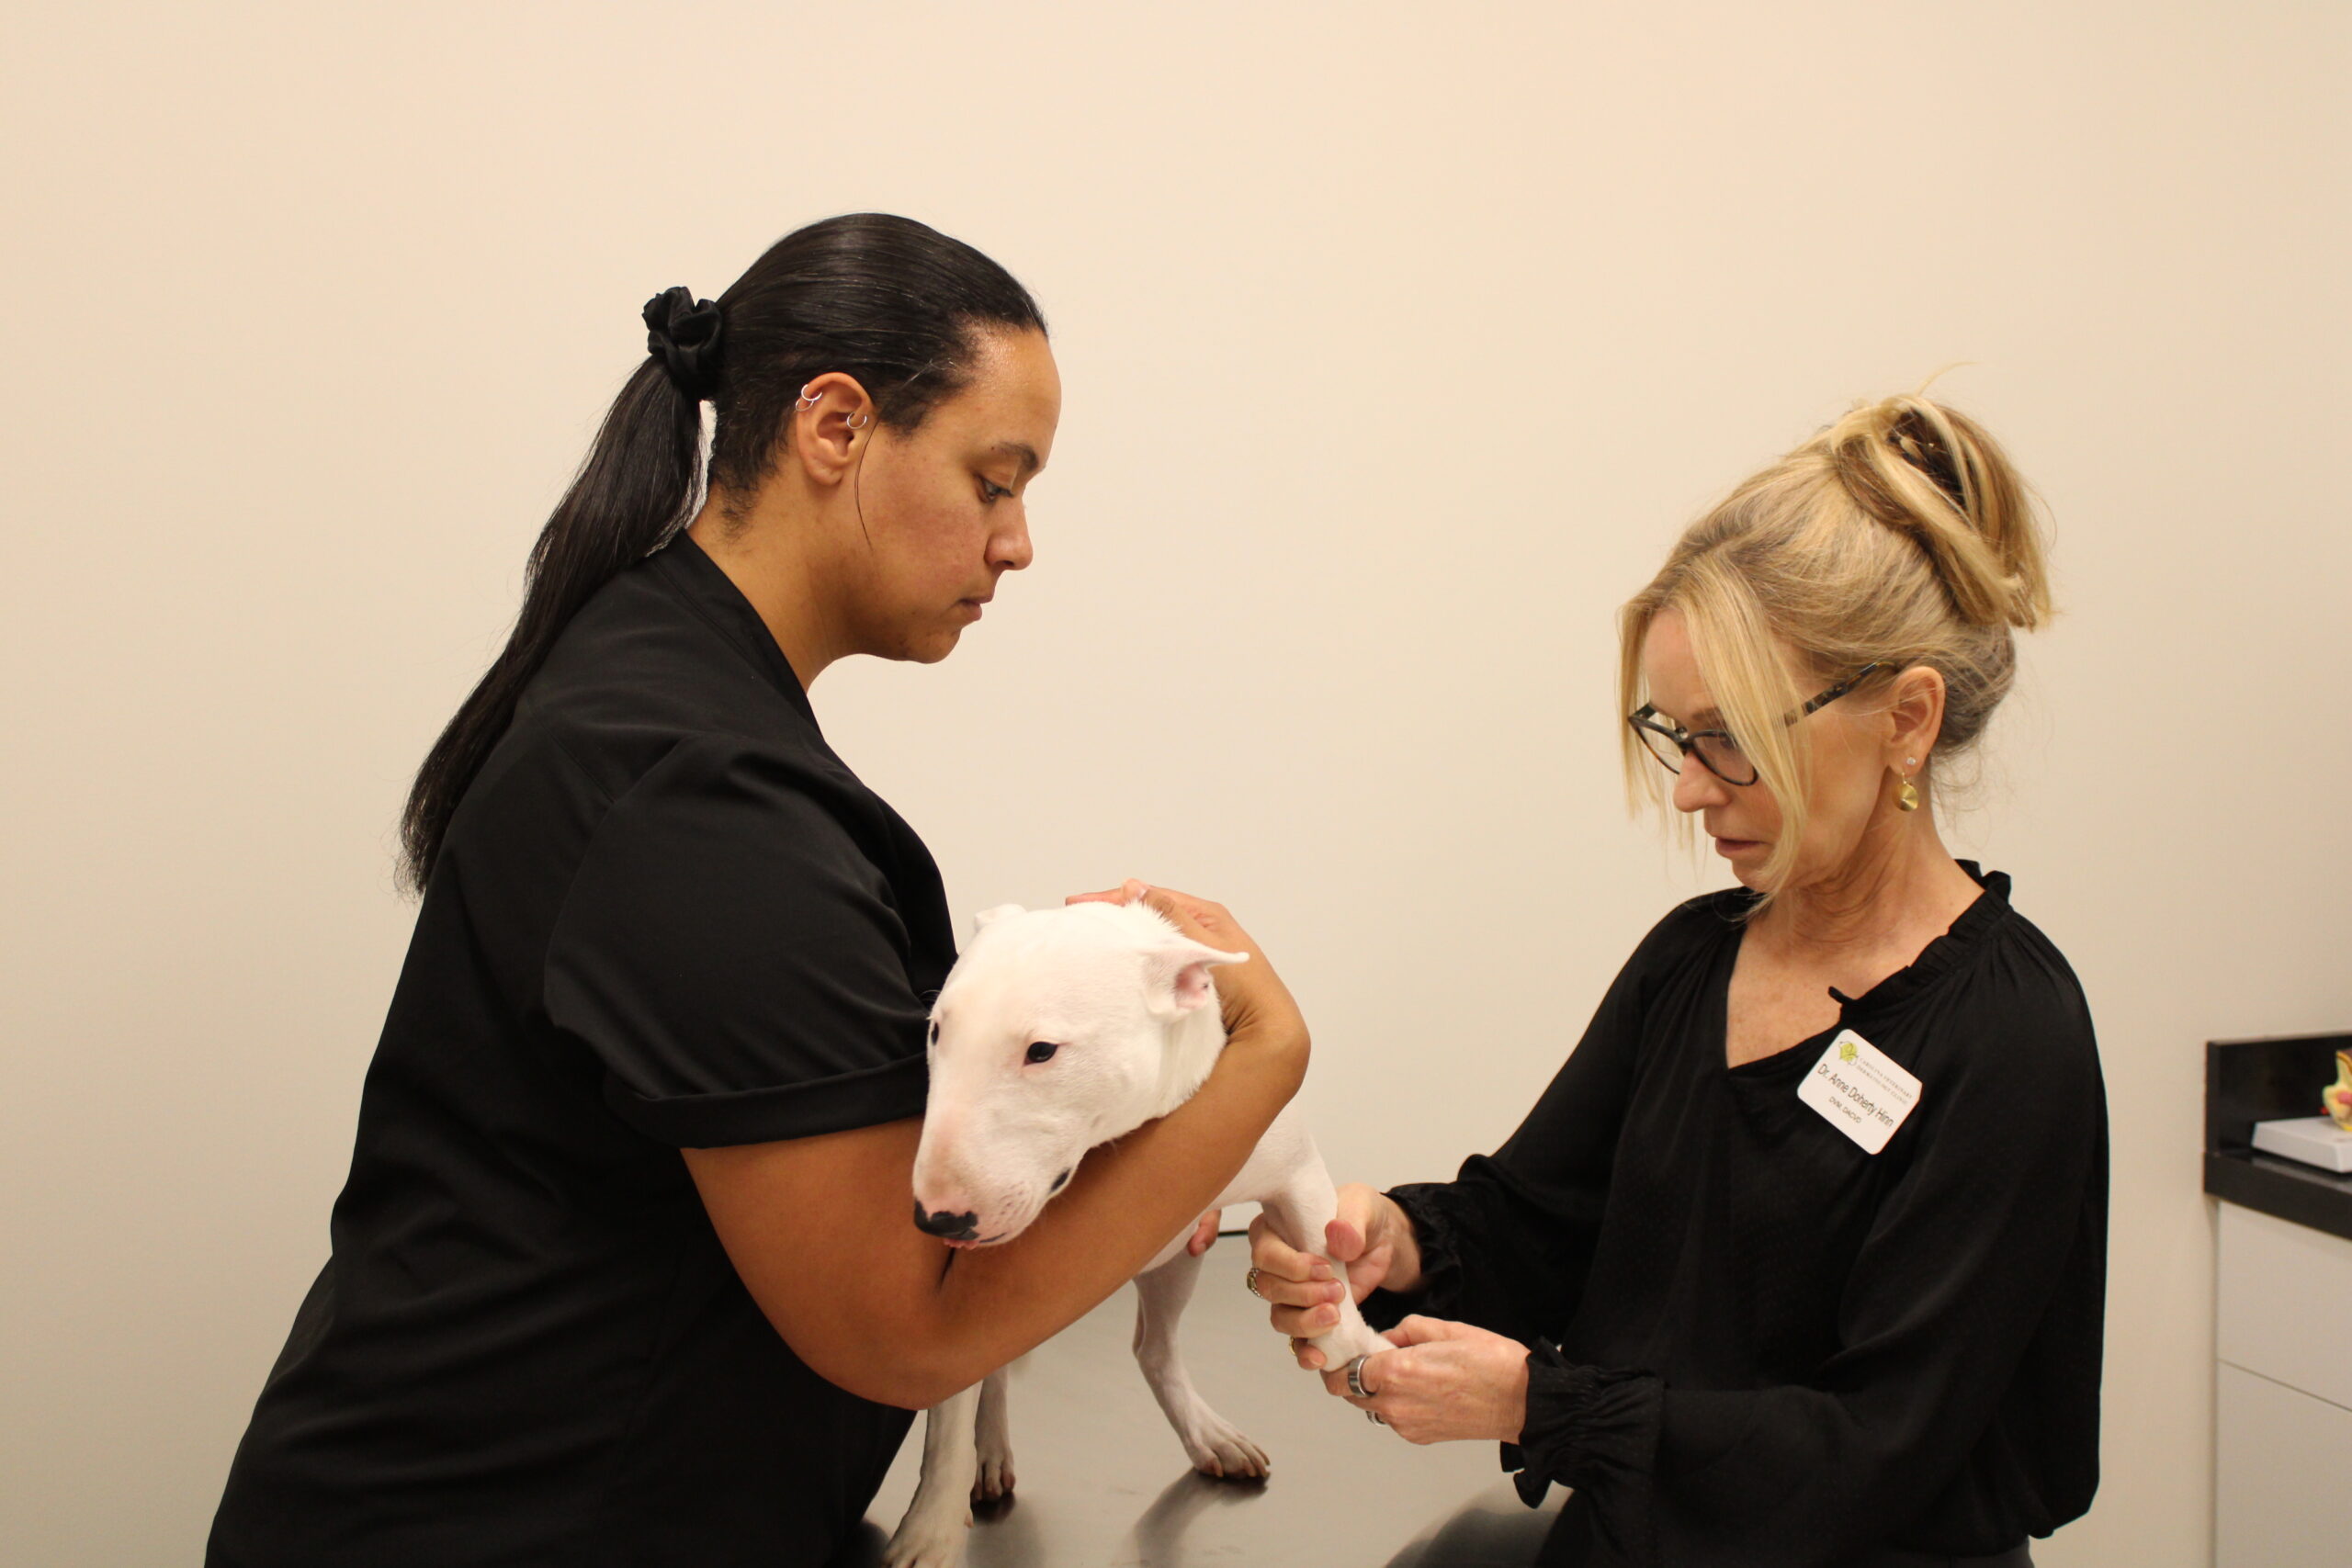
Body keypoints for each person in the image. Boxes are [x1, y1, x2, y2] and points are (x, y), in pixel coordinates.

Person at [206, 213, 1304, 1568]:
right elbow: (907, 1333)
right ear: (835, 426)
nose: (1016, 542)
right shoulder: (696, 792)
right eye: (994, 479)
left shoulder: (660, 684)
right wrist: (1263, 1053)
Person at [1247, 395, 2106, 1568]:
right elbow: (1539, 1225)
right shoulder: (1695, 959)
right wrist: (1393, 1242)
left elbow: (1880, 1450)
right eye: (1674, 733)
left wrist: (1538, 1406)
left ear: (1907, 718)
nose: (1692, 789)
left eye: (1733, 736)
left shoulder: (2010, 1035)